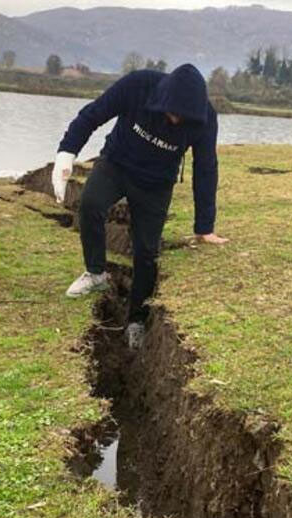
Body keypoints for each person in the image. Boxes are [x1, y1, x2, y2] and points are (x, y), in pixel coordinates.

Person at [51, 63, 228, 349]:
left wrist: (204, 227)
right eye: (172, 112)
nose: (175, 121)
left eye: (183, 117)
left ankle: (136, 319)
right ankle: (96, 273)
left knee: (147, 251)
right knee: (90, 205)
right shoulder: (138, 85)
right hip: (117, 163)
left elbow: (206, 167)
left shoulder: (205, 118)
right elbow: (92, 115)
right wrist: (65, 155)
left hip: (156, 183)